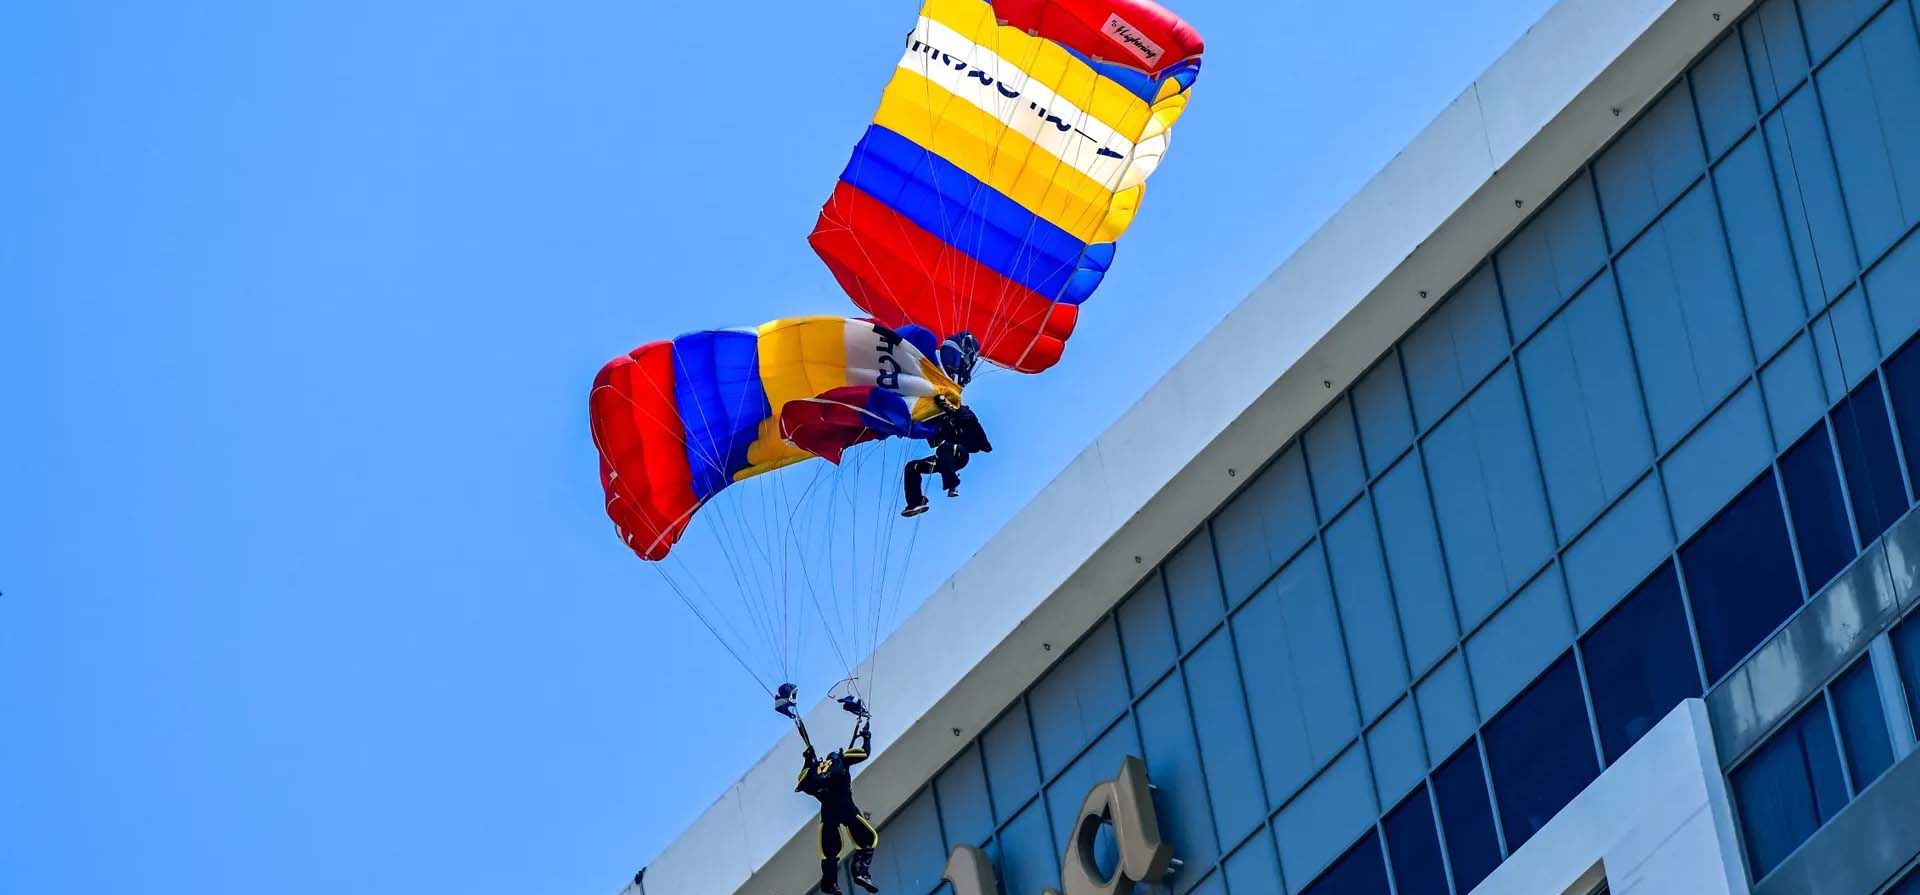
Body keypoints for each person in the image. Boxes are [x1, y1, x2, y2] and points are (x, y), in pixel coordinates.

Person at [791, 695, 880, 894]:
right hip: (846, 807)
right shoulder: (841, 759)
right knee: (868, 839)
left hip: (829, 812)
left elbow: (802, 782)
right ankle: (860, 872)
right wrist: (866, 737)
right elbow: (864, 753)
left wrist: (808, 759)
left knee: (830, 851)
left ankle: (829, 883)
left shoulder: (814, 771)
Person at [901, 394, 991, 517]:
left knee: (945, 447)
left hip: (960, 454)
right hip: (944, 461)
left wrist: (944, 405)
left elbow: (966, 418)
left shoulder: (964, 413)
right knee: (912, 467)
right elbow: (933, 441)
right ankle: (915, 503)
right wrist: (903, 428)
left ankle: (953, 484)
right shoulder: (940, 420)